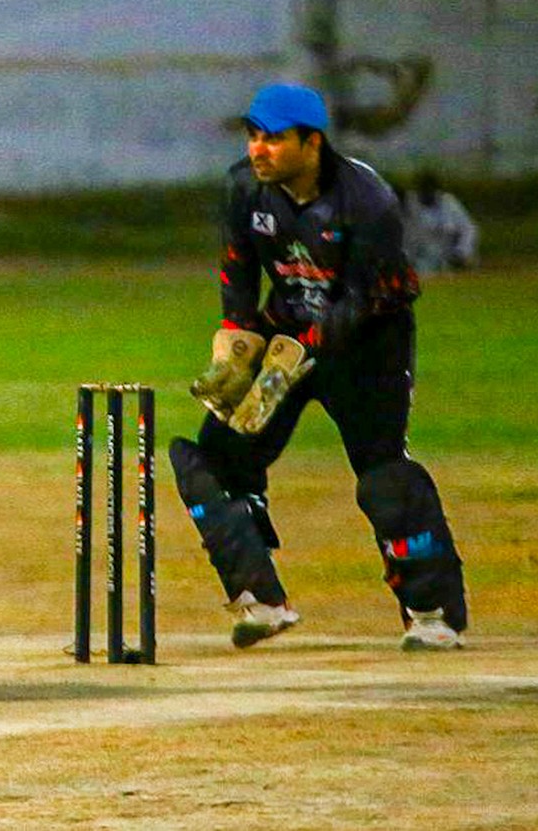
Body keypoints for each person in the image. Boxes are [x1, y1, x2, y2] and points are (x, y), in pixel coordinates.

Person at [177, 82, 468, 651]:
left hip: (369, 349)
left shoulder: (367, 200)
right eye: (253, 136)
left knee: (382, 474)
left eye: (274, 139)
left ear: (312, 143)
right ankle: (262, 600)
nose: (258, 149)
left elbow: (370, 296)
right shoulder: (245, 188)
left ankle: (432, 612)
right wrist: (237, 339)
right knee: (215, 457)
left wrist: (304, 346)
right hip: (287, 335)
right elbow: (238, 268)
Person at [400, 170, 478, 274]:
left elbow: (468, 229)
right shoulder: (410, 204)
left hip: (449, 259)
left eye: (430, 190)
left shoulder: (449, 203)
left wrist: (462, 252)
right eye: (424, 190)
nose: (427, 194)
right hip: (421, 261)